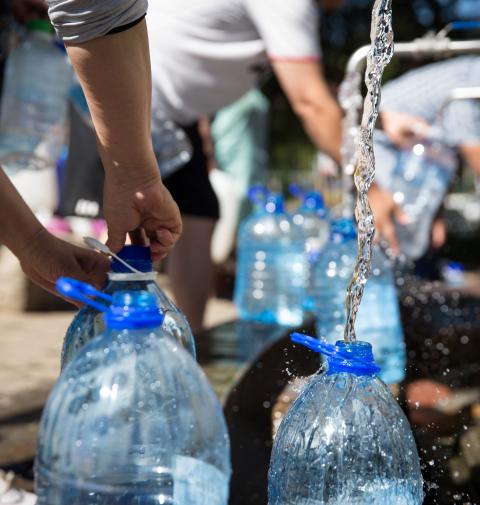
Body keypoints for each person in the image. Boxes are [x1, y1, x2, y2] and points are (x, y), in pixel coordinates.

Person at [46, 0, 344, 332]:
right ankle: (113, 348)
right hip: (121, 101)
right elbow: (311, 103)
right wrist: (370, 184)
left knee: (198, 213)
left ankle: (191, 342)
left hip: (177, 117)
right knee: (125, 230)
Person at [370, 56, 480, 256]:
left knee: (409, 234)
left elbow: (453, 158)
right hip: (383, 137)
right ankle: (378, 275)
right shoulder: (470, 82)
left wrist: (437, 213)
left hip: (421, 152)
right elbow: (471, 149)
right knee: (385, 228)